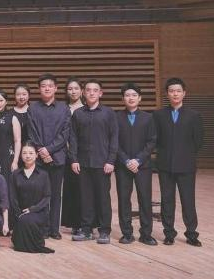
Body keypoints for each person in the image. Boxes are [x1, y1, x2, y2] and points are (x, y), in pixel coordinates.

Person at [153, 77, 204, 246]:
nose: (175, 94)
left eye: (178, 91)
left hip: (186, 165)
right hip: (165, 165)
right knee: (167, 201)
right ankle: (169, 233)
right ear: (167, 94)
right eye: (172, 91)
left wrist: (185, 155)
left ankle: (191, 234)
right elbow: (156, 139)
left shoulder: (194, 116)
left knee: (188, 201)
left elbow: (198, 141)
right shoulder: (158, 115)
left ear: (184, 93)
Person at [68, 79, 118, 244]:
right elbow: (73, 138)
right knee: (85, 198)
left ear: (100, 93)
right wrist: (73, 159)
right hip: (82, 163)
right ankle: (86, 230)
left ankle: (104, 231)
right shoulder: (78, 114)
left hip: (102, 163)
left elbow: (114, 138)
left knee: (103, 198)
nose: (91, 93)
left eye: (95, 90)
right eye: (88, 90)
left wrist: (111, 160)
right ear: (83, 93)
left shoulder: (108, 113)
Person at [27, 73, 71, 239]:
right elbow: (31, 132)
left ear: (56, 88)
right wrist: (41, 150)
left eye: (50, 86)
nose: (47, 88)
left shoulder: (64, 108)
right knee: (39, 195)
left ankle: (54, 229)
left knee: (55, 195)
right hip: (38, 159)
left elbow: (65, 133)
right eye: (43, 86)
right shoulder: (33, 108)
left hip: (57, 158)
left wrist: (49, 150)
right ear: (39, 89)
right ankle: (42, 228)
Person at [115, 83, 157, 245]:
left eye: (134, 95)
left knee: (145, 199)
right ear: (123, 99)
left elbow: (151, 141)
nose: (130, 98)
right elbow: (114, 142)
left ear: (140, 98)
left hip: (143, 166)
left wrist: (138, 160)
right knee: (124, 199)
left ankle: (146, 234)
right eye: (127, 95)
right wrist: (126, 160)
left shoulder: (148, 118)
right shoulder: (116, 117)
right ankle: (127, 233)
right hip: (123, 166)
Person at [9, 142, 54, 253]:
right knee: (24, 219)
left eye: (31, 153)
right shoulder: (15, 174)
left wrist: (32, 209)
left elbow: (47, 197)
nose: (27, 156)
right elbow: (13, 197)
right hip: (20, 213)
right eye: (24, 153)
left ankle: (34, 244)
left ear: (36, 155)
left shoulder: (43, 174)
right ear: (21, 155)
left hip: (38, 212)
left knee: (27, 220)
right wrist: (18, 213)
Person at [62, 77, 85, 236]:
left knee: (82, 189)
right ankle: (73, 222)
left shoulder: (86, 109)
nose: (73, 91)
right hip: (64, 154)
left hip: (81, 155)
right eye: (70, 89)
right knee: (70, 189)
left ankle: (84, 222)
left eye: (76, 88)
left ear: (81, 91)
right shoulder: (62, 109)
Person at [0, 89, 21, 179]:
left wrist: (15, 161)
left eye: (1, 100)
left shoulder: (13, 118)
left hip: (8, 157)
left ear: (6, 102)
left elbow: (17, 141)